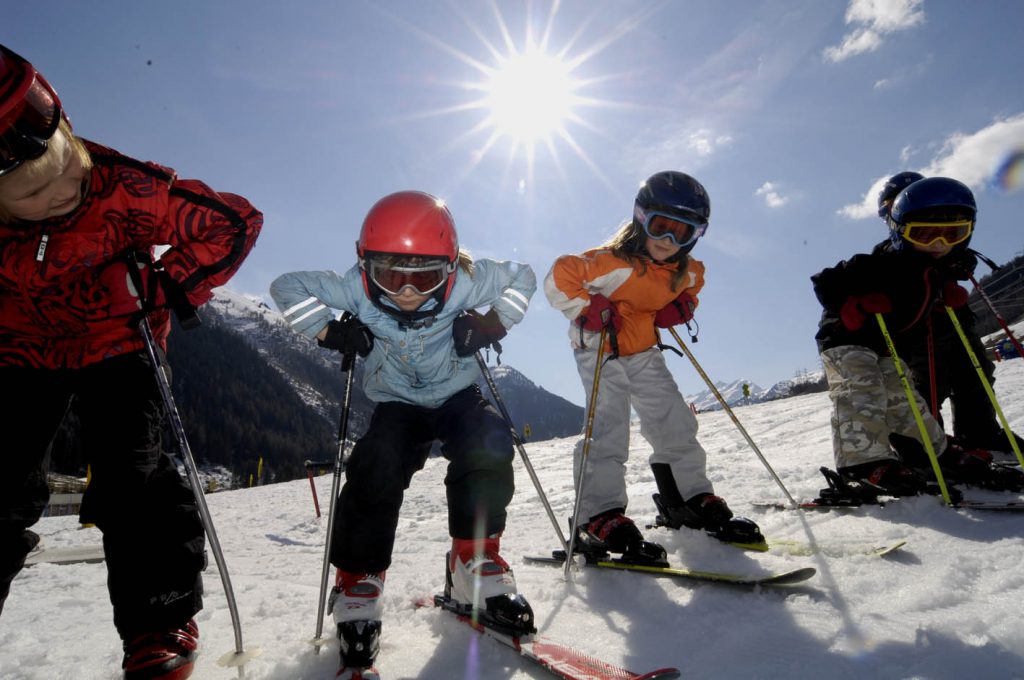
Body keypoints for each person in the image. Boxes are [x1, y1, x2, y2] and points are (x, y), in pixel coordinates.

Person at [0, 44, 263, 680]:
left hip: (119, 339)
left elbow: (233, 221)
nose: (68, 189)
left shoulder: (126, 186)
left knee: (132, 473)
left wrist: (170, 281)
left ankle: (158, 621)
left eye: (68, 165)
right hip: (19, 349)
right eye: (39, 194)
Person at [270, 190, 536, 680]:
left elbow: (522, 278)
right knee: (377, 463)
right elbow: (285, 287)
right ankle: (358, 583)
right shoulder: (352, 289)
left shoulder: (469, 283)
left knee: (488, 442)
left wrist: (491, 323)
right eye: (391, 276)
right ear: (364, 262)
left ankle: (473, 560)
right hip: (397, 404)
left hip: (456, 394)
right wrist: (329, 333)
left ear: (451, 266)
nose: (408, 291)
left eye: (426, 277)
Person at [544, 170, 764, 561]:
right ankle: (597, 515)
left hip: (644, 349)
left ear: (697, 236)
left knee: (674, 419)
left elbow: (694, 285)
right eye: (661, 227)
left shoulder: (687, 271)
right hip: (600, 345)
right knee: (609, 426)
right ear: (640, 218)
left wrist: (682, 306)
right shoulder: (612, 262)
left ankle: (689, 498)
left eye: (684, 232)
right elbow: (559, 276)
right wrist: (588, 306)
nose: (669, 241)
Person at [811, 176, 1021, 495]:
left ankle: (938, 452)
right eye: (923, 233)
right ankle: (861, 463)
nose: (938, 242)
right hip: (846, 339)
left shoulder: (935, 270)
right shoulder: (884, 262)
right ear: (900, 231)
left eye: (953, 234)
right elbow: (825, 281)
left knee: (906, 400)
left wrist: (945, 292)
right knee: (861, 390)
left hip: (886, 345)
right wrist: (852, 302)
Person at [877, 172, 1024, 462]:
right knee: (927, 382)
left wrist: (955, 264)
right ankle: (926, 445)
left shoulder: (942, 245)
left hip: (953, 319)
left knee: (976, 369)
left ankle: (980, 432)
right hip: (917, 329)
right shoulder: (891, 254)